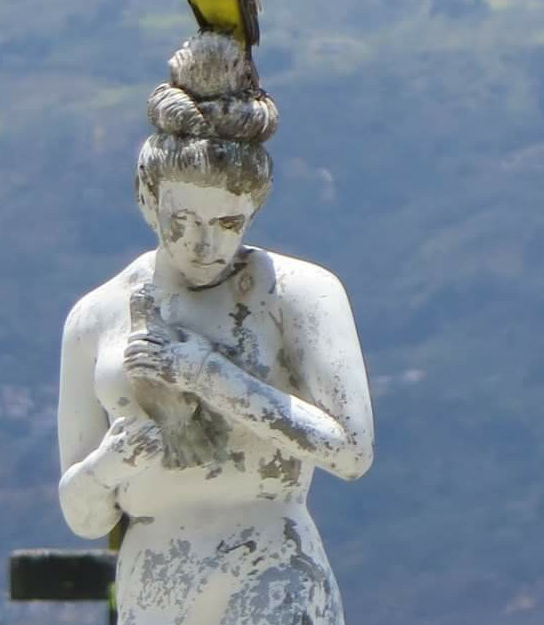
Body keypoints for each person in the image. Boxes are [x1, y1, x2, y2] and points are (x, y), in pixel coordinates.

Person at [58, 35, 374, 625]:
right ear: (148, 200)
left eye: (228, 222)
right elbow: (83, 515)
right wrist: (115, 459)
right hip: (153, 579)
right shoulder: (96, 316)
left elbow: (351, 451)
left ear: (254, 210)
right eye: (184, 221)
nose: (206, 244)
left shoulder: (299, 293)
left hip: (273, 565)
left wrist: (209, 374)